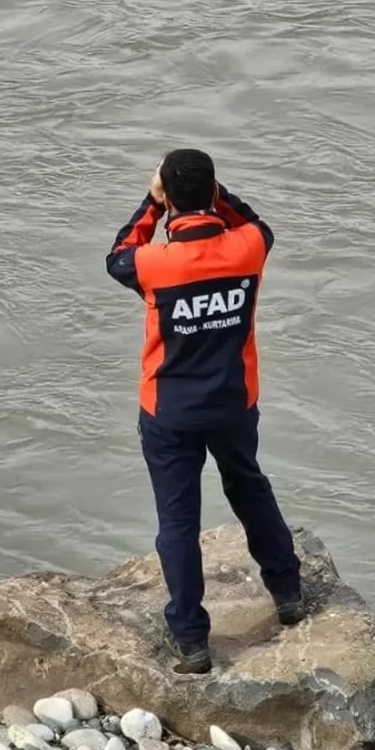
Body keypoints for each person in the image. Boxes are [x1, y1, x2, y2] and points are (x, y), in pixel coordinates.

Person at [106, 149, 303, 674]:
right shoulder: (250, 248)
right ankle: (287, 592)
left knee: (178, 521)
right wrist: (215, 194)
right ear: (213, 192)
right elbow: (255, 222)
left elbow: (118, 255)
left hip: (168, 410)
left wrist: (151, 205)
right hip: (234, 403)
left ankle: (192, 641)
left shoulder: (152, 264)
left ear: (168, 198)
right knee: (249, 487)